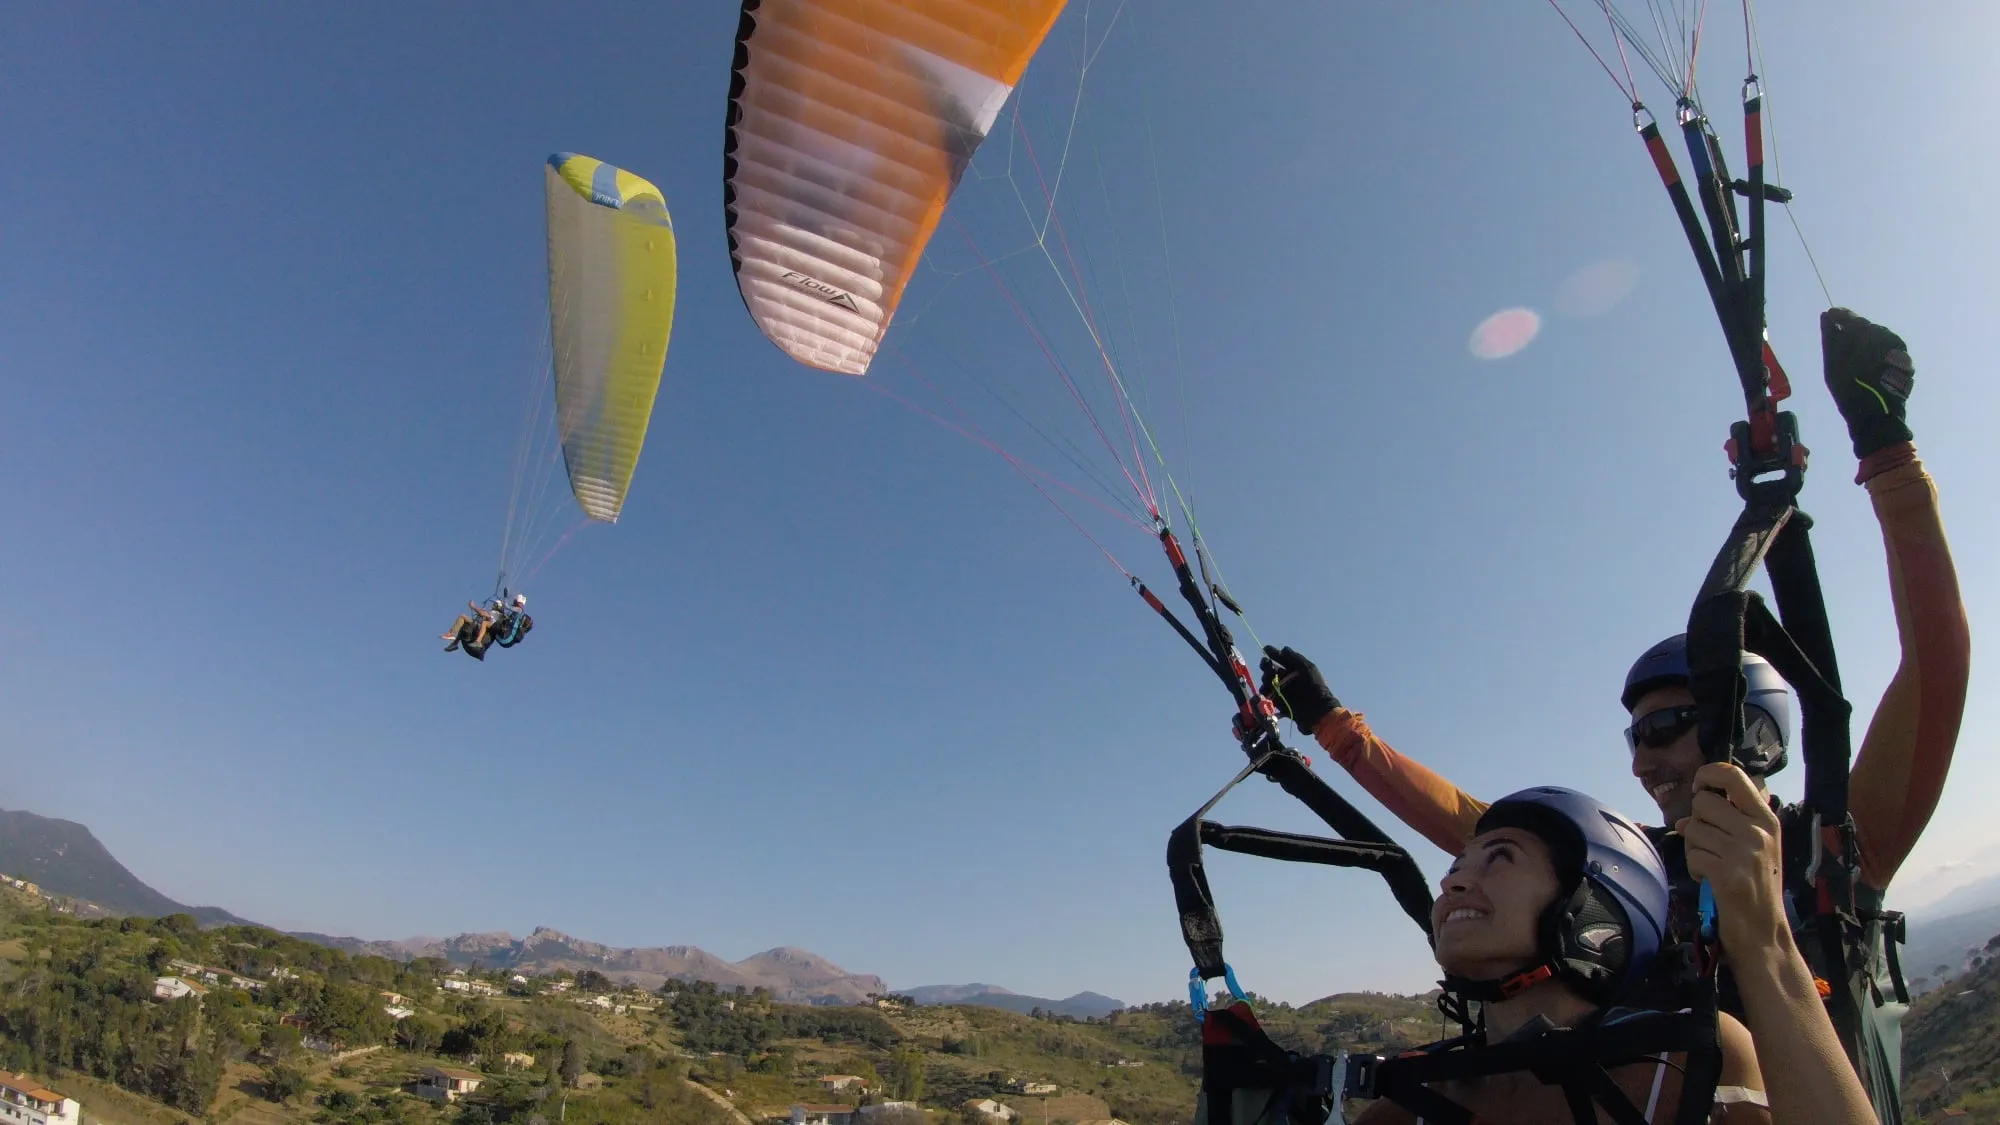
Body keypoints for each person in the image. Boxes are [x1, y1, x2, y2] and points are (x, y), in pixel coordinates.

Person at [1345, 779, 1874, 1125]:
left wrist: (1763, 940)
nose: (1451, 883)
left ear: (1593, 900)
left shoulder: (1691, 1064)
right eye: (1456, 867)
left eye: (1499, 858)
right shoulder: (1406, 1104)